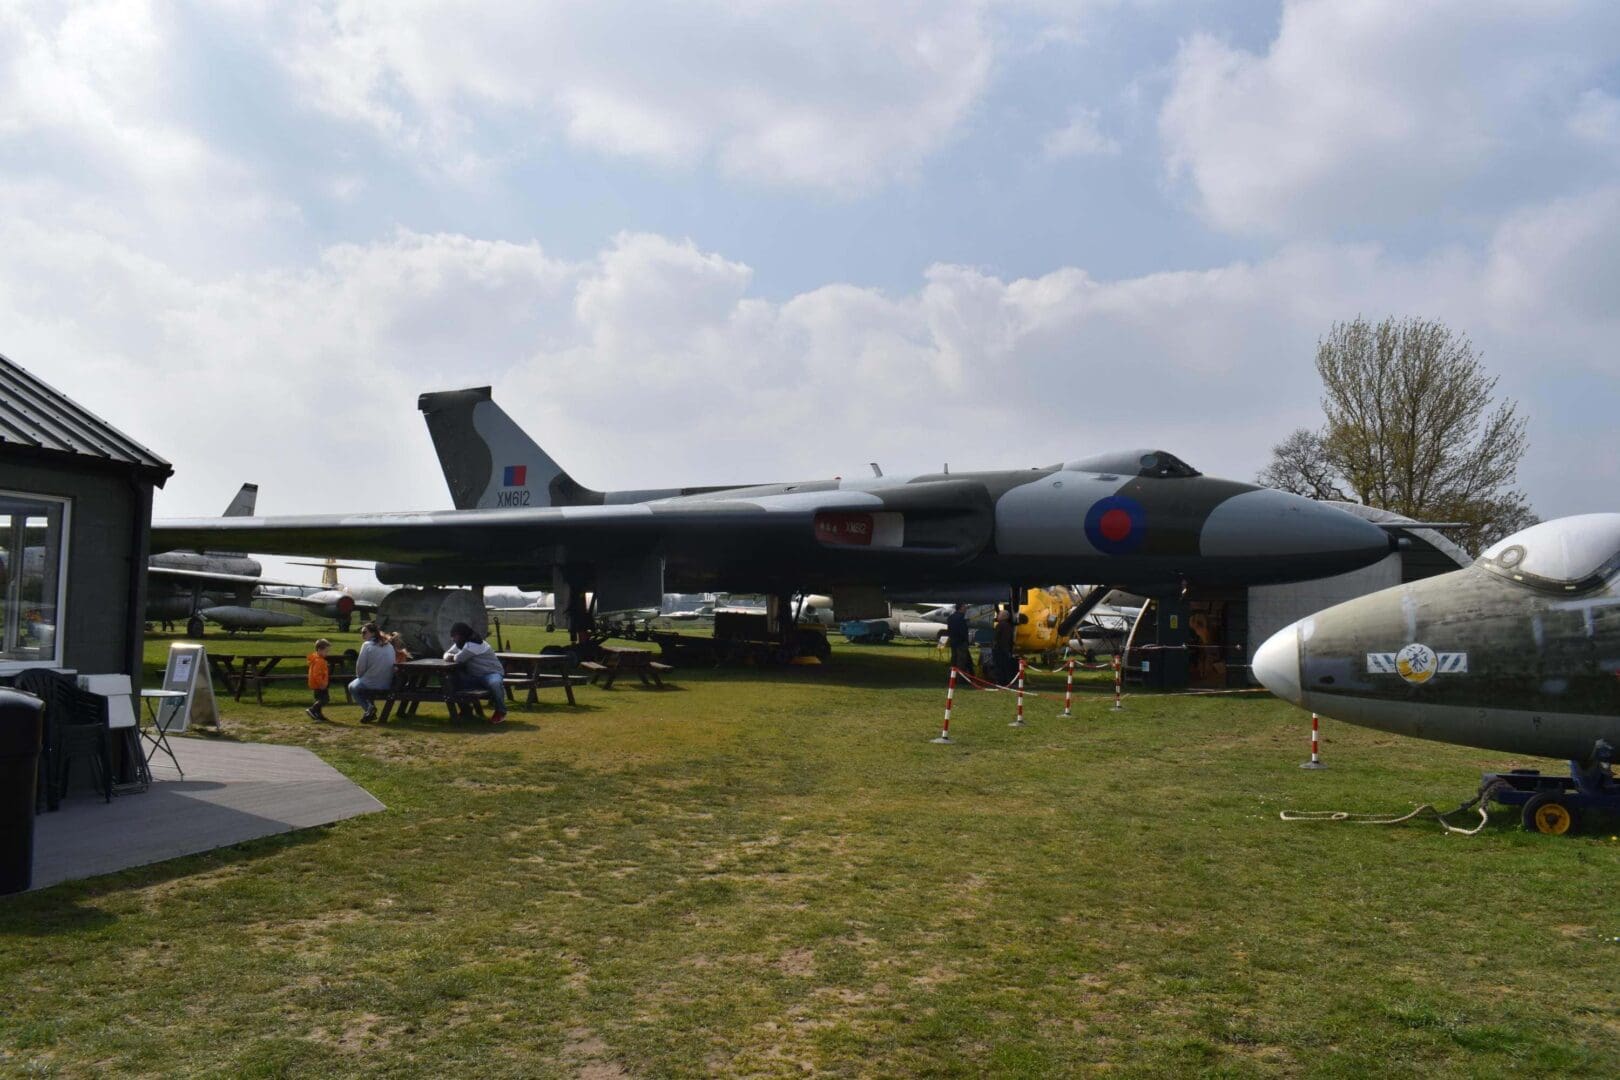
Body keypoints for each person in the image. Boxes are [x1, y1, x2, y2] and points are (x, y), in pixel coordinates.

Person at [444, 620, 507, 724]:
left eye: (454, 636)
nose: (453, 639)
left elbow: (459, 658)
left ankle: (501, 712)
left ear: (461, 635)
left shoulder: (475, 644)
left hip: (491, 674)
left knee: (495, 683)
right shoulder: (462, 643)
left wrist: (452, 657)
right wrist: (449, 656)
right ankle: (466, 710)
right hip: (474, 677)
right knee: (451, 680)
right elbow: (446, 654)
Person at [349, 622, 398, 724]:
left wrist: (360, 677)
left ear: (372, 633)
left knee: (352, 687)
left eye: (364, 632)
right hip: (387, 683)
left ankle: (369, 709)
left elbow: (360, 667)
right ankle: (370, 710)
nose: (362, 635)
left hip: (371, 682)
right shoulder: (388, 645)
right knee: (361, 684)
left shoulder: (367, 645)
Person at [305, 638, 333, 722]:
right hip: (319, 684)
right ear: (320, 650)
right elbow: (317, 675)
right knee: (325, 699)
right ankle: (312, 709)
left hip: (316, 684)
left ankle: (319, 715)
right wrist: (322, 684)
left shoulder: (316, 659)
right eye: (326, 651)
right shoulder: (319, 661)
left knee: (319, 699)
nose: (327, 653)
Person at [944, 603, 974, 677]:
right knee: (961, 661)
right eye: (964, 607)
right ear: (961, 608)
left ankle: (952, 676)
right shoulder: (961, 618)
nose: (966, 608)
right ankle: (960, 677)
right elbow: (963, 631)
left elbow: (949, 630)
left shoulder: (951, 617)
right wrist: (966, 641)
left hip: (954, 641)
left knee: (954, 659)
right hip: (961, 642)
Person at [992, 604, 1016, 685]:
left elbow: (996, 637)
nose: (998, 616)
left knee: (999, 666)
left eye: (999, 615)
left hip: (999, 649)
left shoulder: (1000, 625)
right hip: (1006, 649)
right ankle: (1006, 681)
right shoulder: (1009, 626)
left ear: (1003, 616)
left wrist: (994, 646)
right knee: (1005, 666)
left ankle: (1000, 682)